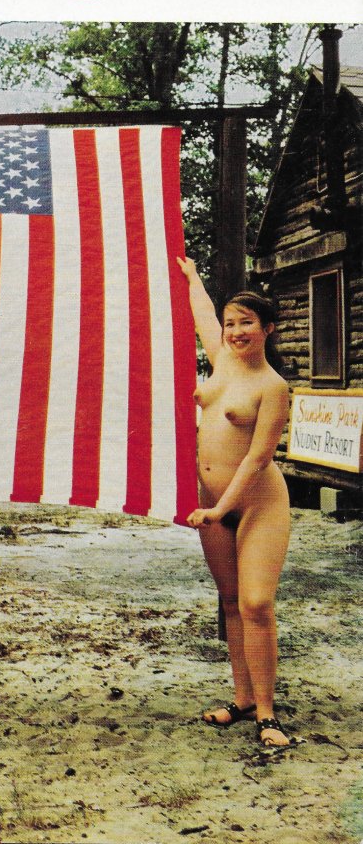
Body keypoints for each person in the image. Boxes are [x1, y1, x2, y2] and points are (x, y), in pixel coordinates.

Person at [177, 256, 293, 748]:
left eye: (246, 323)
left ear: (267, 329)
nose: (235, 331)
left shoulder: (273, 387)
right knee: (229, 602)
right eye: (230, 324)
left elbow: (259, 459)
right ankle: (243, 698)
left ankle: (267, 714)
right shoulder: (221, 359)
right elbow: (202, 313)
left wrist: (220, 509)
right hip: (211, 504)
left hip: (256, 504)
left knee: (256, 603)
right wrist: (192, 276)